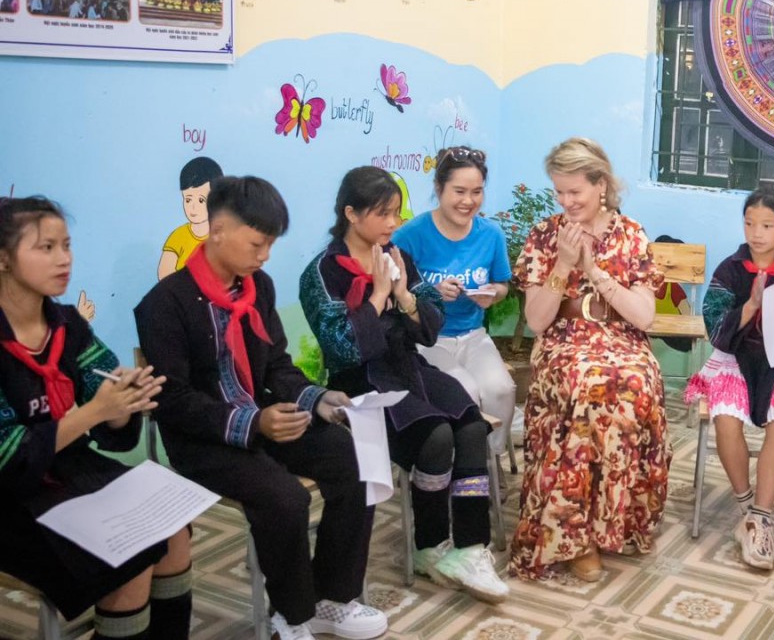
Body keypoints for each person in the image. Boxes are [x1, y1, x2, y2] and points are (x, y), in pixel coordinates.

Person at [134, 176, 387, 640]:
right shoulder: (164, 305)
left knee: (356, 463)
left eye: (270, 243)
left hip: (267, 418)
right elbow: (174, 401)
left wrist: (317, 398)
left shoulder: (258, 287)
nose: (265, 254)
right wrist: (255, 423)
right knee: (286, 499)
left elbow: (276, 366)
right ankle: (290, 617)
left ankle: (332, 598)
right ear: (219, 230)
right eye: (258, 242)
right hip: (204, 440)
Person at [300, 166, 508, 603]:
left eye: (396, 213)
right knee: (433, 435)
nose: (393, 224)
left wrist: (406, 295)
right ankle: (430, 546)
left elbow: (429, 326)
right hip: (359, 383)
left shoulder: (396, 256)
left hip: (409, 367)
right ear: (351, 214)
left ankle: (471, 548)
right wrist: (379, 294)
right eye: (383, 214)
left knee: (471, 424)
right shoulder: (320, 274)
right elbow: (343, 350)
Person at [0, 196, 191, 639]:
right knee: (130, 557)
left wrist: (124, 403)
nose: (63, 259)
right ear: (4, 260)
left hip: (69, 470)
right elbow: (9, 457)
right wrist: (95, 410)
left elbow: (103, 405)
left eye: (66, 245)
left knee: (174, 527)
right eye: (45, 248)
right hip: (13, 497)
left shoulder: (67, 324)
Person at [510, 137, 669, 582]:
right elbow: (539, 322)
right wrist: (563, 265)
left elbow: (645, 318)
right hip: (565, 340)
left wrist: (595, 270)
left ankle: (617, 522)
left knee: (635, 382)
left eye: (575, 191)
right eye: (559, 191)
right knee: (586, 383)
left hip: (622, 337)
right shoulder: (545, 235)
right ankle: (575, 537)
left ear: (601, 185)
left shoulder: (630, 234)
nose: (566, 201)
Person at [684, 188, 774, 571]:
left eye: (767, 225)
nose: (757, 233)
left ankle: (762, 516)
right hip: (733, 358)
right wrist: (750, 306)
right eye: (750, 223)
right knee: (726, 419)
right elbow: (714, 327)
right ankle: (749, 509)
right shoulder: (729, 270)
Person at [392, 147, 517, 454]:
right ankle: (460, 467)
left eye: (477, 192)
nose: (468, 201)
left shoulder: (491, 235)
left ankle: (488, 464)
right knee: (467, 392)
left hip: (474, 336)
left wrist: (492, 295)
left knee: (502, 390)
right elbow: (392, 295)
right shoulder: (410, 235)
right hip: (427, 340)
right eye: (459, 191)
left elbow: (502, 285)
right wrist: (431, 294)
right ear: (439, 188)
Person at [157, 156, 223, 279]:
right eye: (188, 199)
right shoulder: (178, 237)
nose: (193, 207)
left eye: (201, 200)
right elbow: (164, 274)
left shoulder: (223, 237)